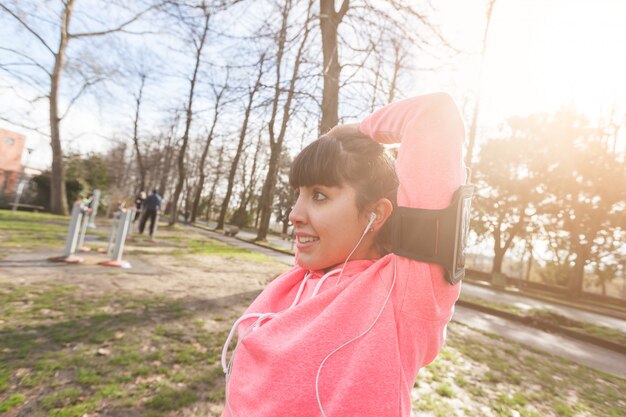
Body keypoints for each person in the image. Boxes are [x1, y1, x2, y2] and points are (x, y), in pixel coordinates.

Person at [221, 93, 466, 417]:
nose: (294, 213)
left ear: (376, 215)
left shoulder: (404, 293)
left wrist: (357, 130)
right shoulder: (291, 285)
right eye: (299, 195)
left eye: (319, 196)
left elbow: (435, 114)